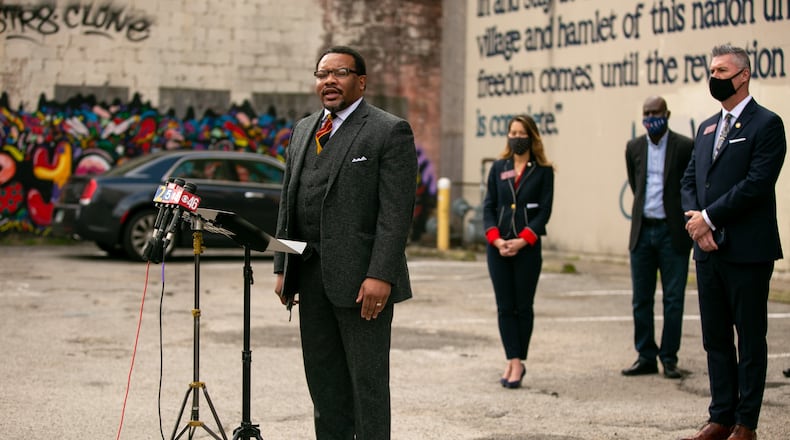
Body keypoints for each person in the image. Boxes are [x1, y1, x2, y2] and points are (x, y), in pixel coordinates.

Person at [272, 46, 417, 439]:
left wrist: (381, 274)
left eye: (339, 73)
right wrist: (283, 267)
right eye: (322, 74)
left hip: (362, 282)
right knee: (323, 384)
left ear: (361, 81)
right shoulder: (303, 130)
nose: (329, 81)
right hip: (310, 275)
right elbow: (289, 201)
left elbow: (395, 213)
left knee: (366, 386)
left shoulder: (388, 130)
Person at [680, 44, 786, 440]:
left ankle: (746, 424)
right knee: (716, 339)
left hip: (747, 251)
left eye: (722, 71)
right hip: (708, 252)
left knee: (750, 339)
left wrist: (709, 218)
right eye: (712, 70)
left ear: (743, 76)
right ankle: (720, 416)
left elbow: (756, 184)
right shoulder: (707, 127)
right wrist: (697, 222)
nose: (714, 77)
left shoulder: (767, 124)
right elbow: (689, 180)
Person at [622, 96, 693, 379]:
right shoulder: (634, 147)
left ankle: (669, 357)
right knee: (641, 299)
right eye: (647, 113)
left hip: (671, 232)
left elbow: (689, 185)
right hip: (642, 231)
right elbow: (635, 183)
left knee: (673, 299)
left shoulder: (684, 146)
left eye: (656, 112)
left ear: (667, 114)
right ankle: (646, 356)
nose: (651, 118)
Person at [482, 114, 554, 389]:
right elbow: (488, 206)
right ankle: (512, 359)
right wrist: (496, 240)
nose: (516, 138)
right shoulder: (498, 167)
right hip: (498, 248)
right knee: (505, 307)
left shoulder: (544, 171)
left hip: (527, 249)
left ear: (531, 136)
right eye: (512, 133)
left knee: (523, 307)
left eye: (521, 133)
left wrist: (523, 240)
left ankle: (519, 359)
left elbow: (544, 212)